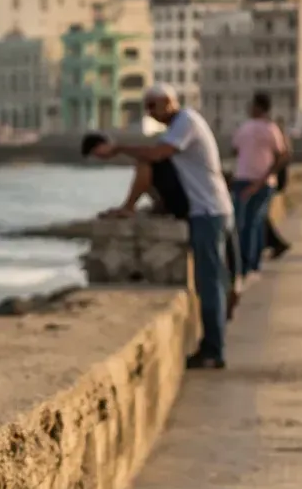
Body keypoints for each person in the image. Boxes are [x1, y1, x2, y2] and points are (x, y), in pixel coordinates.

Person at [91, 84, 233, 369]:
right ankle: (212, 345)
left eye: (152, 106)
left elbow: (157, 155)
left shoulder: (186, 122)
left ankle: (213, 350)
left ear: (169, 102)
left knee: (209, 282)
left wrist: (118, 148)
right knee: (211, 280)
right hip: (206, 210)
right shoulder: (178, 127)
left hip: (208, 211)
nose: (150, 113)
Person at [230, 92, 289, 279]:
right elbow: (282, 155)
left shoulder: (246, 128)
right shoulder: (272, 129)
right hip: (262, 182)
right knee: (254, 222)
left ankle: (247, 264)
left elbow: (235, 149)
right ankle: (251, 263)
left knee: (246, 224)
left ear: (257, 107)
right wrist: (266, 176)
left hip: (247, 180)